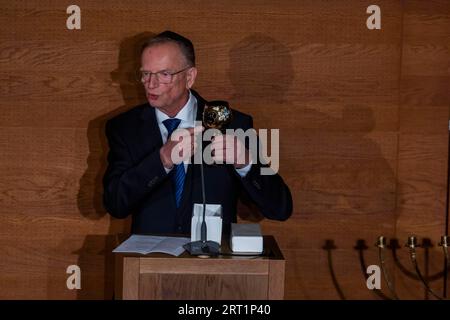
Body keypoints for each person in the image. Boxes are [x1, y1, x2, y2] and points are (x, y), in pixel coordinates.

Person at [103, 31, 292, 235]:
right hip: (150, 262)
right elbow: (115, 204)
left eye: (164, 74)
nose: (151, 84)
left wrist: (246, 163)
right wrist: (162, 160)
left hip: (215, 262)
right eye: (146, 73)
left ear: (190, 77)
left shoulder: (235, 123)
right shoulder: (124, 127)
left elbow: (280, 209)